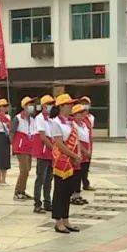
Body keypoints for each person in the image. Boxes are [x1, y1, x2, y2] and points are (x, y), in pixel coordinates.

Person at [49, 94, 81, 233]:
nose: (70, 107)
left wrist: (78, 154)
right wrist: (73, 155)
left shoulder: (71, 122)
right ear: (61, 106)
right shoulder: (56, 122)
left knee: (68, 190)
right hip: (61, 161)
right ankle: (58, 221)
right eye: (68, 104)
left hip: (72, 161)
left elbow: (77, 140)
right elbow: (59, 144)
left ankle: (66, 219)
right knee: (60, 191)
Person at [33, 95, 55, 214]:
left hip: (50, 153)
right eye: (49, 104)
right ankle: (37, 204)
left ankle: (48, 202)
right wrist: (53, 148)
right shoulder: (39, 118)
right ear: (43, 106)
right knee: (40, 178)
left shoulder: (51, 119)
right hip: (43, 152)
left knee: (49, 179)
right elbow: (43, 137)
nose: (52, 106)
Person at [11, 97, 34, 201]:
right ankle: (17, 192)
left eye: (32, 104)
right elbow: (12, 133)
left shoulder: (32, 119)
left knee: (27, 170)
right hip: (20, 148)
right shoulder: (17, 118)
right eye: (29, 104)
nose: (31, 106)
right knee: (23, 170)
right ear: (24, 106)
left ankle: (22, 191)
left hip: (29, 147)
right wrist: (13, 146)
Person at [70, 104, 91, 206]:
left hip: (85, 152)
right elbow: (77, 140)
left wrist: (89, 150)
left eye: (83, 113)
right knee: (76, 175)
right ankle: (74, 195)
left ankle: (78, 195)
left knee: (82, 173)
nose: (82, 115)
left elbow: (88, 138)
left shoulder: (84, 124)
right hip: (78, 152)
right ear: (74, 115)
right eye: (80, 113)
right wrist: (83, 151)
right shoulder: (73, 125)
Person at [78, 96, 96, 191]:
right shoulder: (76, 117)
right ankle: (78, 185)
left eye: (86, 103)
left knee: (86, 164)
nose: (84, 105)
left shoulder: (91, 118)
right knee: (80, 164)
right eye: (82, 103)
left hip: (88, 142)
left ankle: (85, 182)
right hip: (80, 143)